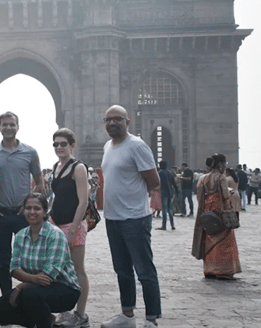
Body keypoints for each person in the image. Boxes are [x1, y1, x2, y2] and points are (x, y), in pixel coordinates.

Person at [100, 105, 162, 328]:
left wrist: (146, 202)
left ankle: (152, 319)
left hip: (135, 219)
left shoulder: (137, 146)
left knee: (144, 271)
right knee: (122, 270)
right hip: (113, 218)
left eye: (117, 119)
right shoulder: (108, 146)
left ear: (127, 122)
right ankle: (127, 316)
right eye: (108, 119)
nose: (112, 123)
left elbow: (154, 181)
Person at [0, 193, 81, 328]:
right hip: (34, 288)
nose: (32, 212)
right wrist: (32, 280)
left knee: (30, 294)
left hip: (64, 289)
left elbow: (49, 275)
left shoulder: (55, 235)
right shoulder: (21, 235)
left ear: (45, 212)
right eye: (28, 208)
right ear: (23, 210)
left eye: (37, 208)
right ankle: (44, 318)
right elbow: (14, 269)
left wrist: (22, 285)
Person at [0, 111, 44, 298]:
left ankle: (31, 298)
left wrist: (31, 206)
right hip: (0, 215)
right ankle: (7, 300)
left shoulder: (30, 152)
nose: (8, 128)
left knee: (31, 259)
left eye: (12, 124)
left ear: (18, 127)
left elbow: (39, 182)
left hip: (22, 215)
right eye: (5, 124)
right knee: (4, 262)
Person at [46, 128, 91, 328]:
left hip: (73, 225)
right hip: (55, 224)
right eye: (56, 144)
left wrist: (73, 229)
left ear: (72, 145)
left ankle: (80, 314)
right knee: (61, 271)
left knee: (78, 269)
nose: (59, 147)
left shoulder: (78, 168)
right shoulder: (56, 166)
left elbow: (83, 201)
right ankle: (65, 310)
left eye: (63, 143)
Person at [193, 154, 242, 280]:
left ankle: (210, 269)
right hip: (220, 209)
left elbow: (199, 196)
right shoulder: (220, 177)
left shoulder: (203, 178)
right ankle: (224, 270)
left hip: (208, 210)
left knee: (209, 237)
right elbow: (225, 195)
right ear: (220, 164)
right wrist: (233, 194)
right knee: (224, 238)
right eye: (224, 164)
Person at [156, 161, 178, 231]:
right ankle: (172, 225)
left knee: (164, 210)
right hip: (170, 192)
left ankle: (164, 226)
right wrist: (176, 190)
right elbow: (174, 182)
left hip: (164, 192)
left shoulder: (160, 173)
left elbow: (158, 182)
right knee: (169, 209)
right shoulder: (170, 172)